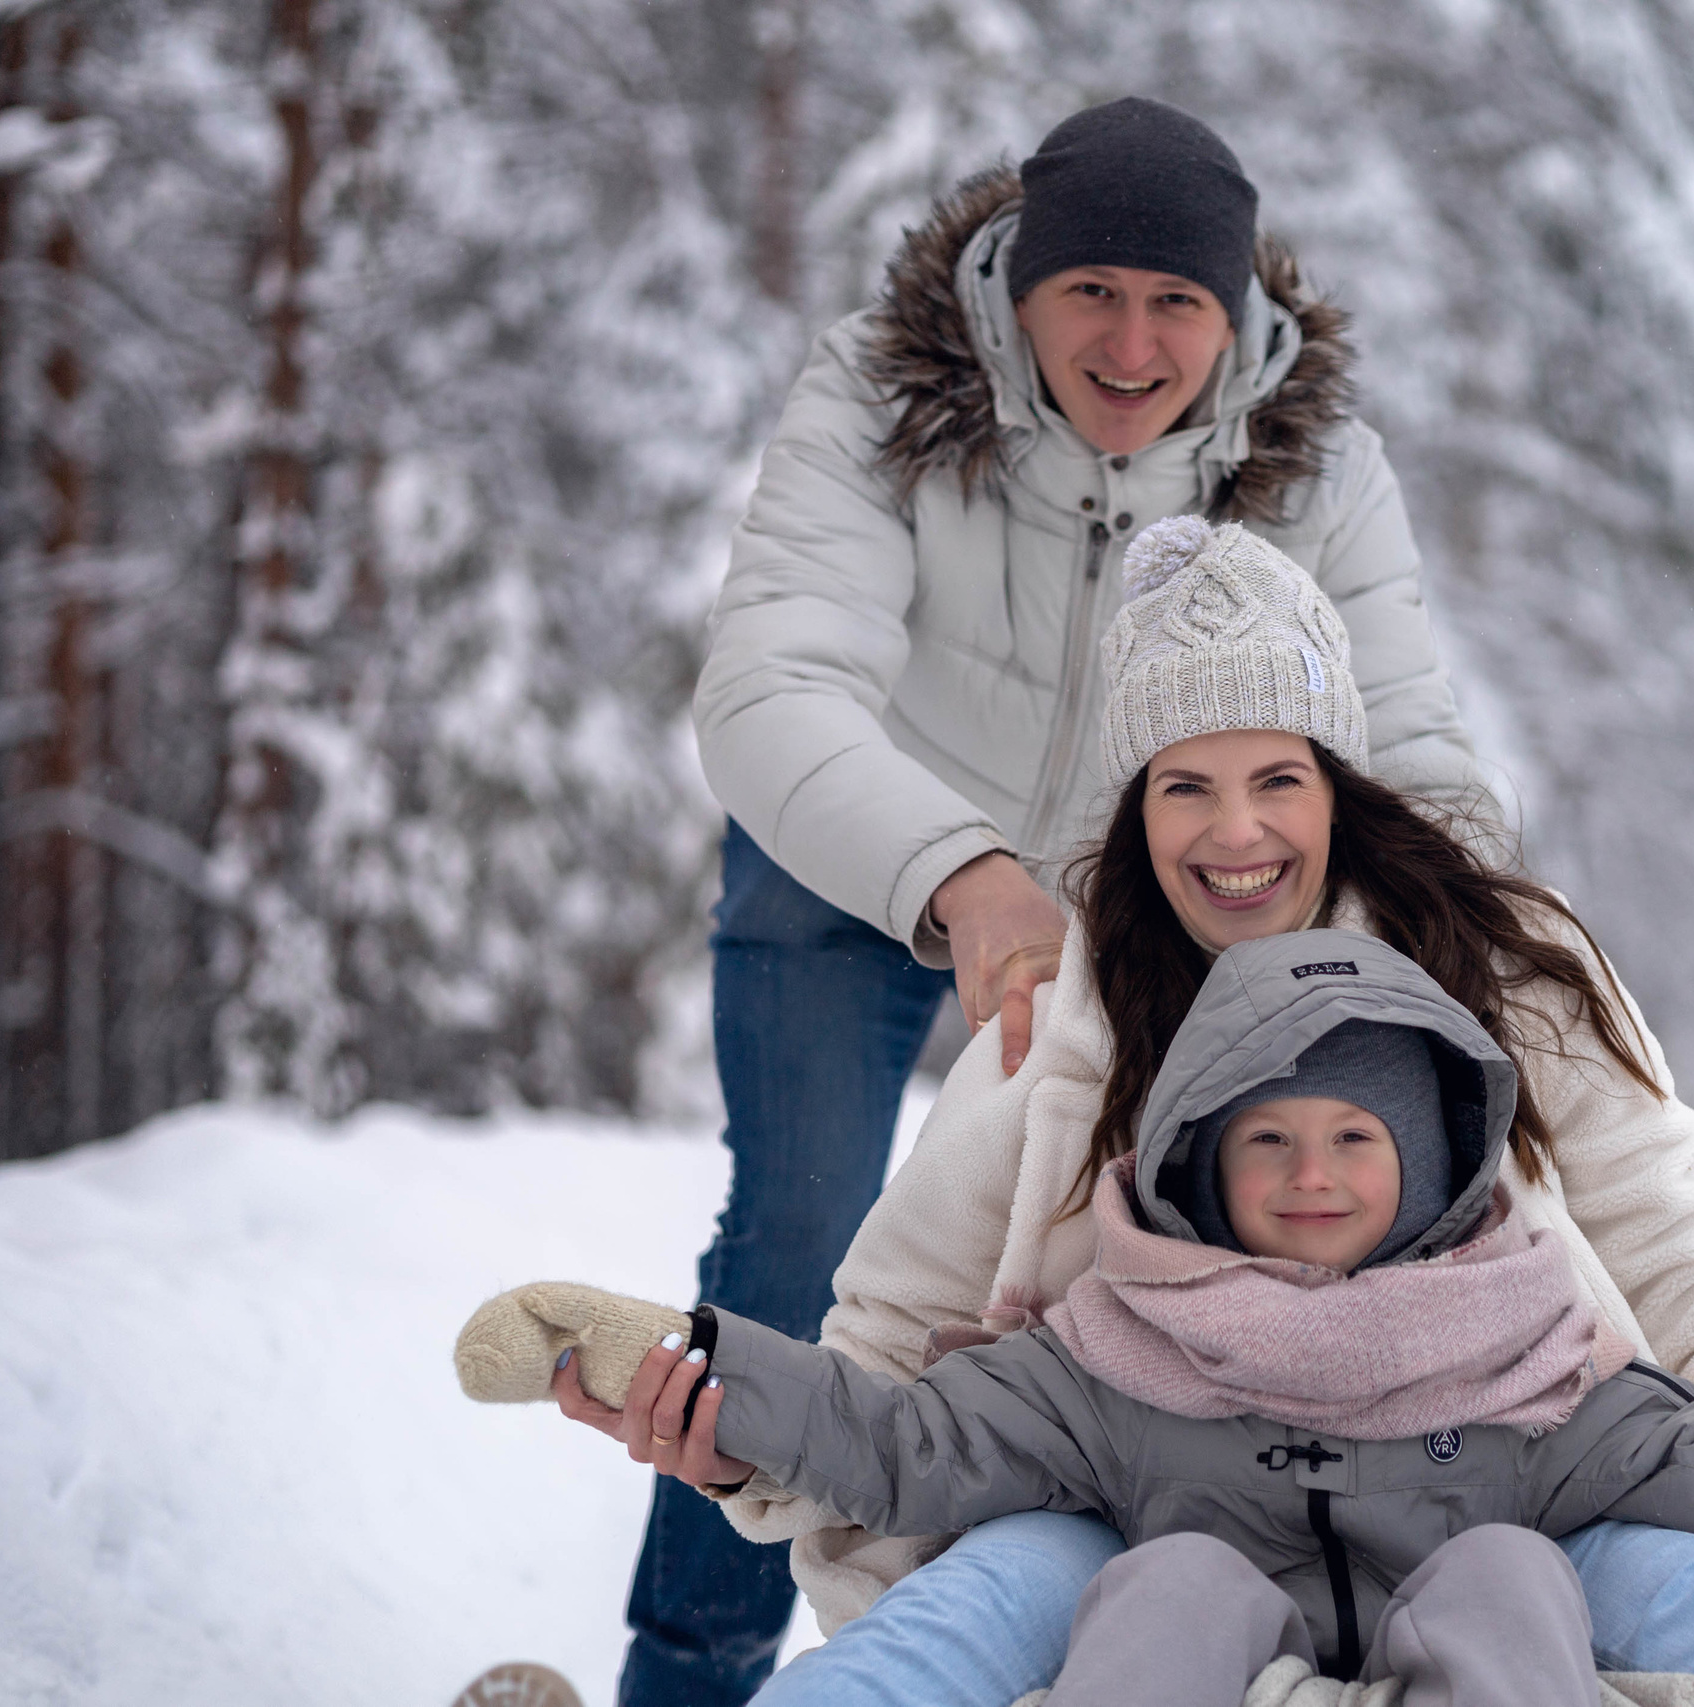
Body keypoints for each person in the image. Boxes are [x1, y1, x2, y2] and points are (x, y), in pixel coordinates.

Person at [558, 518, 1694, 1707]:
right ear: (1135, 810)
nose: (1237, 830)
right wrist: (737, 1426)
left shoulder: (1510, 972)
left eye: (1277, 777)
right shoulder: (1060, 1036)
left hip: (1504, 1497)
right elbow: (893, 1360)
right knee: (980, 1602)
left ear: (1340, 783)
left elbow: (1682, 1267)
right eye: (1184, 785)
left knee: (1685, 1587)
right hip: (1146, 1517)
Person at [666, 93, 1480, 1707]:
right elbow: (771, 684)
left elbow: (1416, 749)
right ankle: (686, 1677)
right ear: (1013, 292)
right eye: (1089, 292)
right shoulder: (888, 395)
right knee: (794, 1255)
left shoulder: (1307, 460)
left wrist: (1457, 933)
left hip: (1163, 892)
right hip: (865, 852)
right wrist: (962, 878)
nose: (1131, 340)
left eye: (1178, 299)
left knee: (1130, 1277)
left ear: (1236, 314)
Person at [461, 932, 1694, 1707]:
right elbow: (904, 1440)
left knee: (1554, 1570)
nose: (1313, 1175)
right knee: (1143, 1580)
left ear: (1435, 1164)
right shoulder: (1117, 1347)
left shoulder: (1522, 1346)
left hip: (1489, 1648)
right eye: (1270, 1143)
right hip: (1187, 1655)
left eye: (1355, 1140)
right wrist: (686, 1366)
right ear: (1197, 1166)